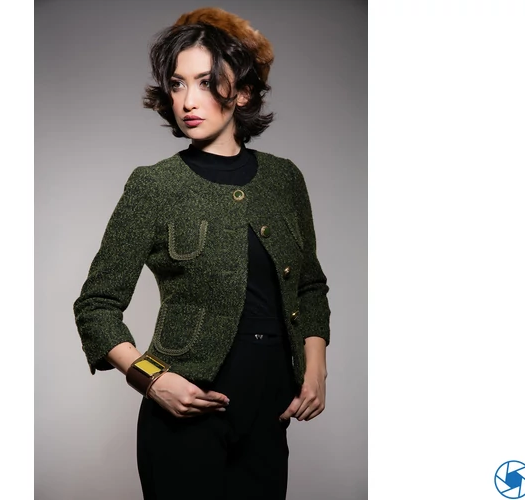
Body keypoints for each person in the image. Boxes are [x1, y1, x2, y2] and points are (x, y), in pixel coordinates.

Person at [73, 7, 331, 500]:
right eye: (177, 84)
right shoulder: (154, 186)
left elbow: (309, 285)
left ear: (244, 91)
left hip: (270, 412)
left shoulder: (284, 179)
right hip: (184, 416)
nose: (188, 100)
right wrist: (151, 380)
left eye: (206, 83)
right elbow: (96, 306)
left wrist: (315, 368)